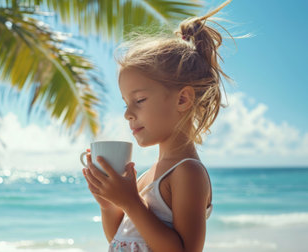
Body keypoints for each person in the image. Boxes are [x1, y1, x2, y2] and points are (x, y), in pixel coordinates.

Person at [82, 0, 237, 251]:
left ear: (182, 99)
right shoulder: (146, 178)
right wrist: (108, 205)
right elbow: (120, 241)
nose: (128, 114)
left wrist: (131, 202)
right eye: (125, 104)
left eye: (139, 100)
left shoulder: (187, 173)